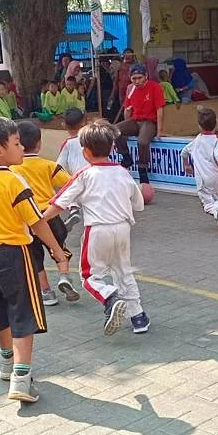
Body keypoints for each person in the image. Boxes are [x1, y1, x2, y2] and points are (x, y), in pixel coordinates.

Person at [0, 117, 71, 402]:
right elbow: (37, 222)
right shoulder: (14, 180)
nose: (22, 149)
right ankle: (21, 377)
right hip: (15, 254)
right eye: (17, 144)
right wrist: (57, 252)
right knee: (22, 314)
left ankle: (6, 361)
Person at [43, 120, 149, 335]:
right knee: (123, 271)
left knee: (90, 276)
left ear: (85, 152)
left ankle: (110, 297)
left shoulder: (84, 175)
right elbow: (138, 204)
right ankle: (138, 317)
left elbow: (58, 203)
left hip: (97, 229)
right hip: (123, 229)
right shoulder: (122, 172)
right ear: (112, 148)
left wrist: (39, 220)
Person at [9, 121, 80, 307]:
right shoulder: (49, 165)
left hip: (28, 220)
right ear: (39, 143)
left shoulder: (11, 170)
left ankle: (47, 292)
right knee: (59, 247)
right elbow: (71, 184)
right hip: (50, 214)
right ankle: (64, 276)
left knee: (35, 258)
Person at [181, 107, 218, 233]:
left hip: (202, 180)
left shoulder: (197, 141)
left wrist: (186, 165)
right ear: (217, 122)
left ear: (199, 126)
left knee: (208, 204)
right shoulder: (217, 140)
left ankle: (217, 211)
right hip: (217, 178)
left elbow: (184, 152)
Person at [115, 64, 166, 184]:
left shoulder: (155, 87)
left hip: (149, 122)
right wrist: (126, 118)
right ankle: (126, 157)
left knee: (142, 141)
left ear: (146, 76)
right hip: (135, 121)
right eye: (134, 79)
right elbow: (127, 109)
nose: (137, 81)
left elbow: (160, 109)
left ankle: (142, 169)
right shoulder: (131, 89)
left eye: (139, 78)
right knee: (114, 130)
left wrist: (160, 130)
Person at [55, 107, 87, 231]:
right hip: (95, 174)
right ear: (84, 122)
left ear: (64, 125)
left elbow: (59, 166)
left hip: (77, 178)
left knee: (67, 191)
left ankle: (74, 209)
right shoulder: (90, 138)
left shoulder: (68, 144)